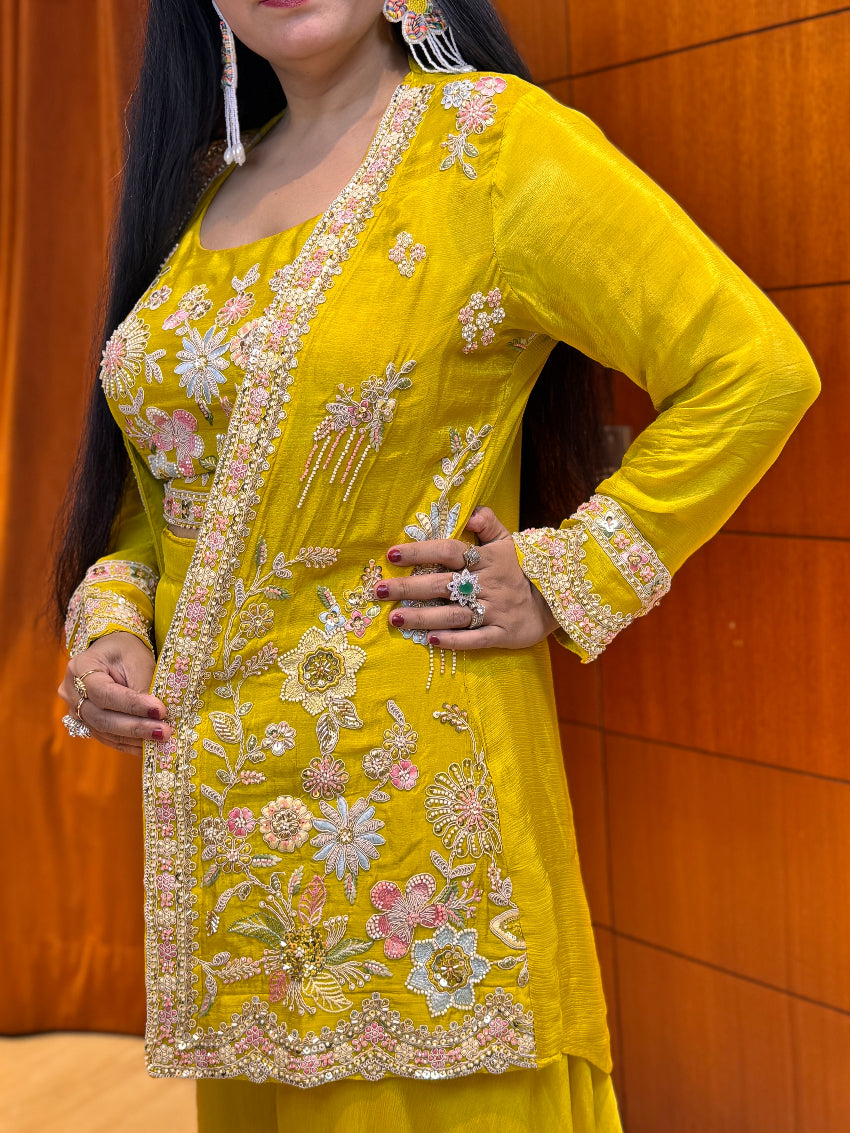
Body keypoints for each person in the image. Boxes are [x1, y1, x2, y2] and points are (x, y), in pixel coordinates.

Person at [54, 1, 819, 1130]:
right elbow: (153, 500)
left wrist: (572, 570)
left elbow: (752, 369)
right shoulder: (207, 187)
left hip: (419, 838)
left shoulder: (490, 142)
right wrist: (112, 618)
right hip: (235, 853)